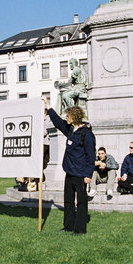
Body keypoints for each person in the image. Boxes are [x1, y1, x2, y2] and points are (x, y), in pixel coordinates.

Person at [45, 99, 95, 235]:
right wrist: (48, 106)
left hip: (81, 175)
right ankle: (68, 226)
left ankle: (80, 230)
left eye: (68, 116)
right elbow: (57, 122)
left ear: (74, 117)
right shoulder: (70, 130)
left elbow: (91, 156)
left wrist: (88, 175)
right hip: (70, 173)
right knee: (68, 201)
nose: (65, 117)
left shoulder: (87, 134)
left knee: (81, 203)